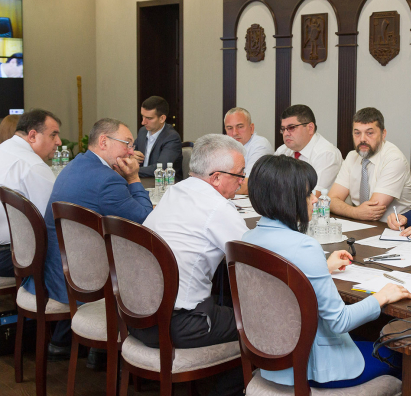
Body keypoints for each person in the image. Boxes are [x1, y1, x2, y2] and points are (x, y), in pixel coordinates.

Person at [243, 155, 411, 388]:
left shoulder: (247, 238)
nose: (315, 199)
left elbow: (281, 281)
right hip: (315, 368)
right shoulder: (304, 247)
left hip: (272, 363)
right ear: (288, 199)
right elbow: (340, 322)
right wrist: (382, 296)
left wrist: (323, 267)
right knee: (404, 356)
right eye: (308, 194)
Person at [21, 118, 153, 363]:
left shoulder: (76, 164)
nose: (130, 152)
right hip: (81, 280)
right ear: (103, 141)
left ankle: (82, 346)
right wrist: (134, 178)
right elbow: (145, 219)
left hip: (57, 269)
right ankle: (119, 348)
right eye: (126, 143)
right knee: (145, 264)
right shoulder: (107, 180)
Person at [136, 134, 247, 349]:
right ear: (216, 177)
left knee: (224, 302)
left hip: (137, 316)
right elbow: (254, 259)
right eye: (240, 173)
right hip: (178, 324)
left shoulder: (174, 190)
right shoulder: (217, 207)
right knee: (262, 320)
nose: (242, 180)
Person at [0, 109, 60, 277]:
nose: (59, 142)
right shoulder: (33, 165)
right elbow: (51, 220)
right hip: (10, 255)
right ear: (32, 136)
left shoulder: (3, 149)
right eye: (53, 135)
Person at [329, 107, 411, 222]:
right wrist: (355, 212)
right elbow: (330, 200)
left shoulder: (394, 159)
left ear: (383, 134)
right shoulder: (351, 156)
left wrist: (352, 212)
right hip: (360, 223)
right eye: (357, 133)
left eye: (369, 133)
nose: (362, 139)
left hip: (392, 228)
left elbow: (372, 212)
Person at [274, 104, 342, 196]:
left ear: (310, 128)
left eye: (291, 128)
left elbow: (315, 196)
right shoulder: (282, 150)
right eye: (283, 129)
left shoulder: (326, 154)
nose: (285, 133)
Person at [223, 107, 272, 195]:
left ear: (251, 128)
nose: (234, 133)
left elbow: (248, 186)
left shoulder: (260, 145)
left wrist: (215, 187)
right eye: (229, 128)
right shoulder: (224, 146)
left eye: (240, 127)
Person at [133, 96, 182, 178]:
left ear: (162, 118)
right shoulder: (143, 131)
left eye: (149, 118)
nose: (143, 122)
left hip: (163, 182)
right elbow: (131, 151)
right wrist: (130, 155)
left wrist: (131, 171)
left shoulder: (172, 137)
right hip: (142, 179)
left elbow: (160, 169)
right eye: (143, 116)